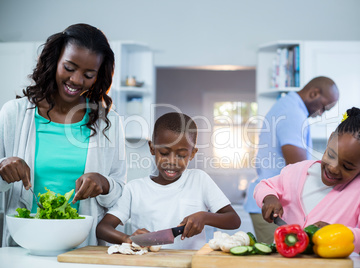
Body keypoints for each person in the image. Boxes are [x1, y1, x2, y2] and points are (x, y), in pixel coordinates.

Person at [0, 23, 126, 246]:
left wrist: (104, 183)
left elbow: (121, 195)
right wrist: (3, 168)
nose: (77, 80)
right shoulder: (14, 114)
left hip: (83, 246)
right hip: (24, 244)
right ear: (54, 60)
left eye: (88, 74)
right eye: (69, 68)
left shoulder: (110, 123)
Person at [254, 107, 360, 252]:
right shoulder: (297, 170)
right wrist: (269, 197)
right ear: (330, 139)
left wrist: (340, 233)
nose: (333, 168)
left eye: (347, 167)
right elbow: (265, 185)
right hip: (286, 257)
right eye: (331, 155)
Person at [96, 112, 241, 250]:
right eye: (164, 153)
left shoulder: (199, 180)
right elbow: (103, 229)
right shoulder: (135, 189)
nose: (172, 162)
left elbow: (234, 219)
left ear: (192, 154)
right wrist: (127, 239)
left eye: (181, 155)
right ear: (152, 148)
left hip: (190, 263)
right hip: (146, 263)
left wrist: (205, 217)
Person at [244, 76, 339, 243]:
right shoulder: (292, 113)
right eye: (324, 107)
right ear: (313, 93)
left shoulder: (288, 106)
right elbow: (298, 167)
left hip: (273, 203)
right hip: (272, 206)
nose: (321, 114)